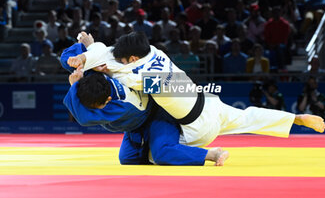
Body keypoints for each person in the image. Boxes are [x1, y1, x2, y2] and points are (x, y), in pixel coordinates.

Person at [68, 32, 325, 148]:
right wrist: (94, 51)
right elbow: (112, 57)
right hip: (208, 102)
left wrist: (88, 57)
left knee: (155, 150)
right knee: (248, 117)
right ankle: (295, 119)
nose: (120, 63)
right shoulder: (157, 52)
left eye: (124, 60)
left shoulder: (141, 77)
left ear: (133, 58)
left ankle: (210, 155)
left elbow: (110, 64)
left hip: (195, 130)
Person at [61, 43, 228, 166]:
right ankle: (151, 144)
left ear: (107, 101)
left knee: (161, 153)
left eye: (96, 107)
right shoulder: (96, 74)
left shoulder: (119, 105)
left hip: (158, 114)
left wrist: (74, 85)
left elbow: (83, 118)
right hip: (136, 125)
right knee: (127, 159)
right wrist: (80, 59)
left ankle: (211, 154)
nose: (94, 110)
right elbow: (65, 59)